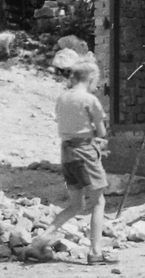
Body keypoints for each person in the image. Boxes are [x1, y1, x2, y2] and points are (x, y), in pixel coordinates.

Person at [29, 49, 114, 265]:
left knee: (76, 204)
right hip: (85, 151)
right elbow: (102, 132)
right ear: (91, 78)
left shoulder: (62, 98)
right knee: (97, 202)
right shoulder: (89, 99)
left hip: (66, 153)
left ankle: (40, 242)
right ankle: (95, 252)